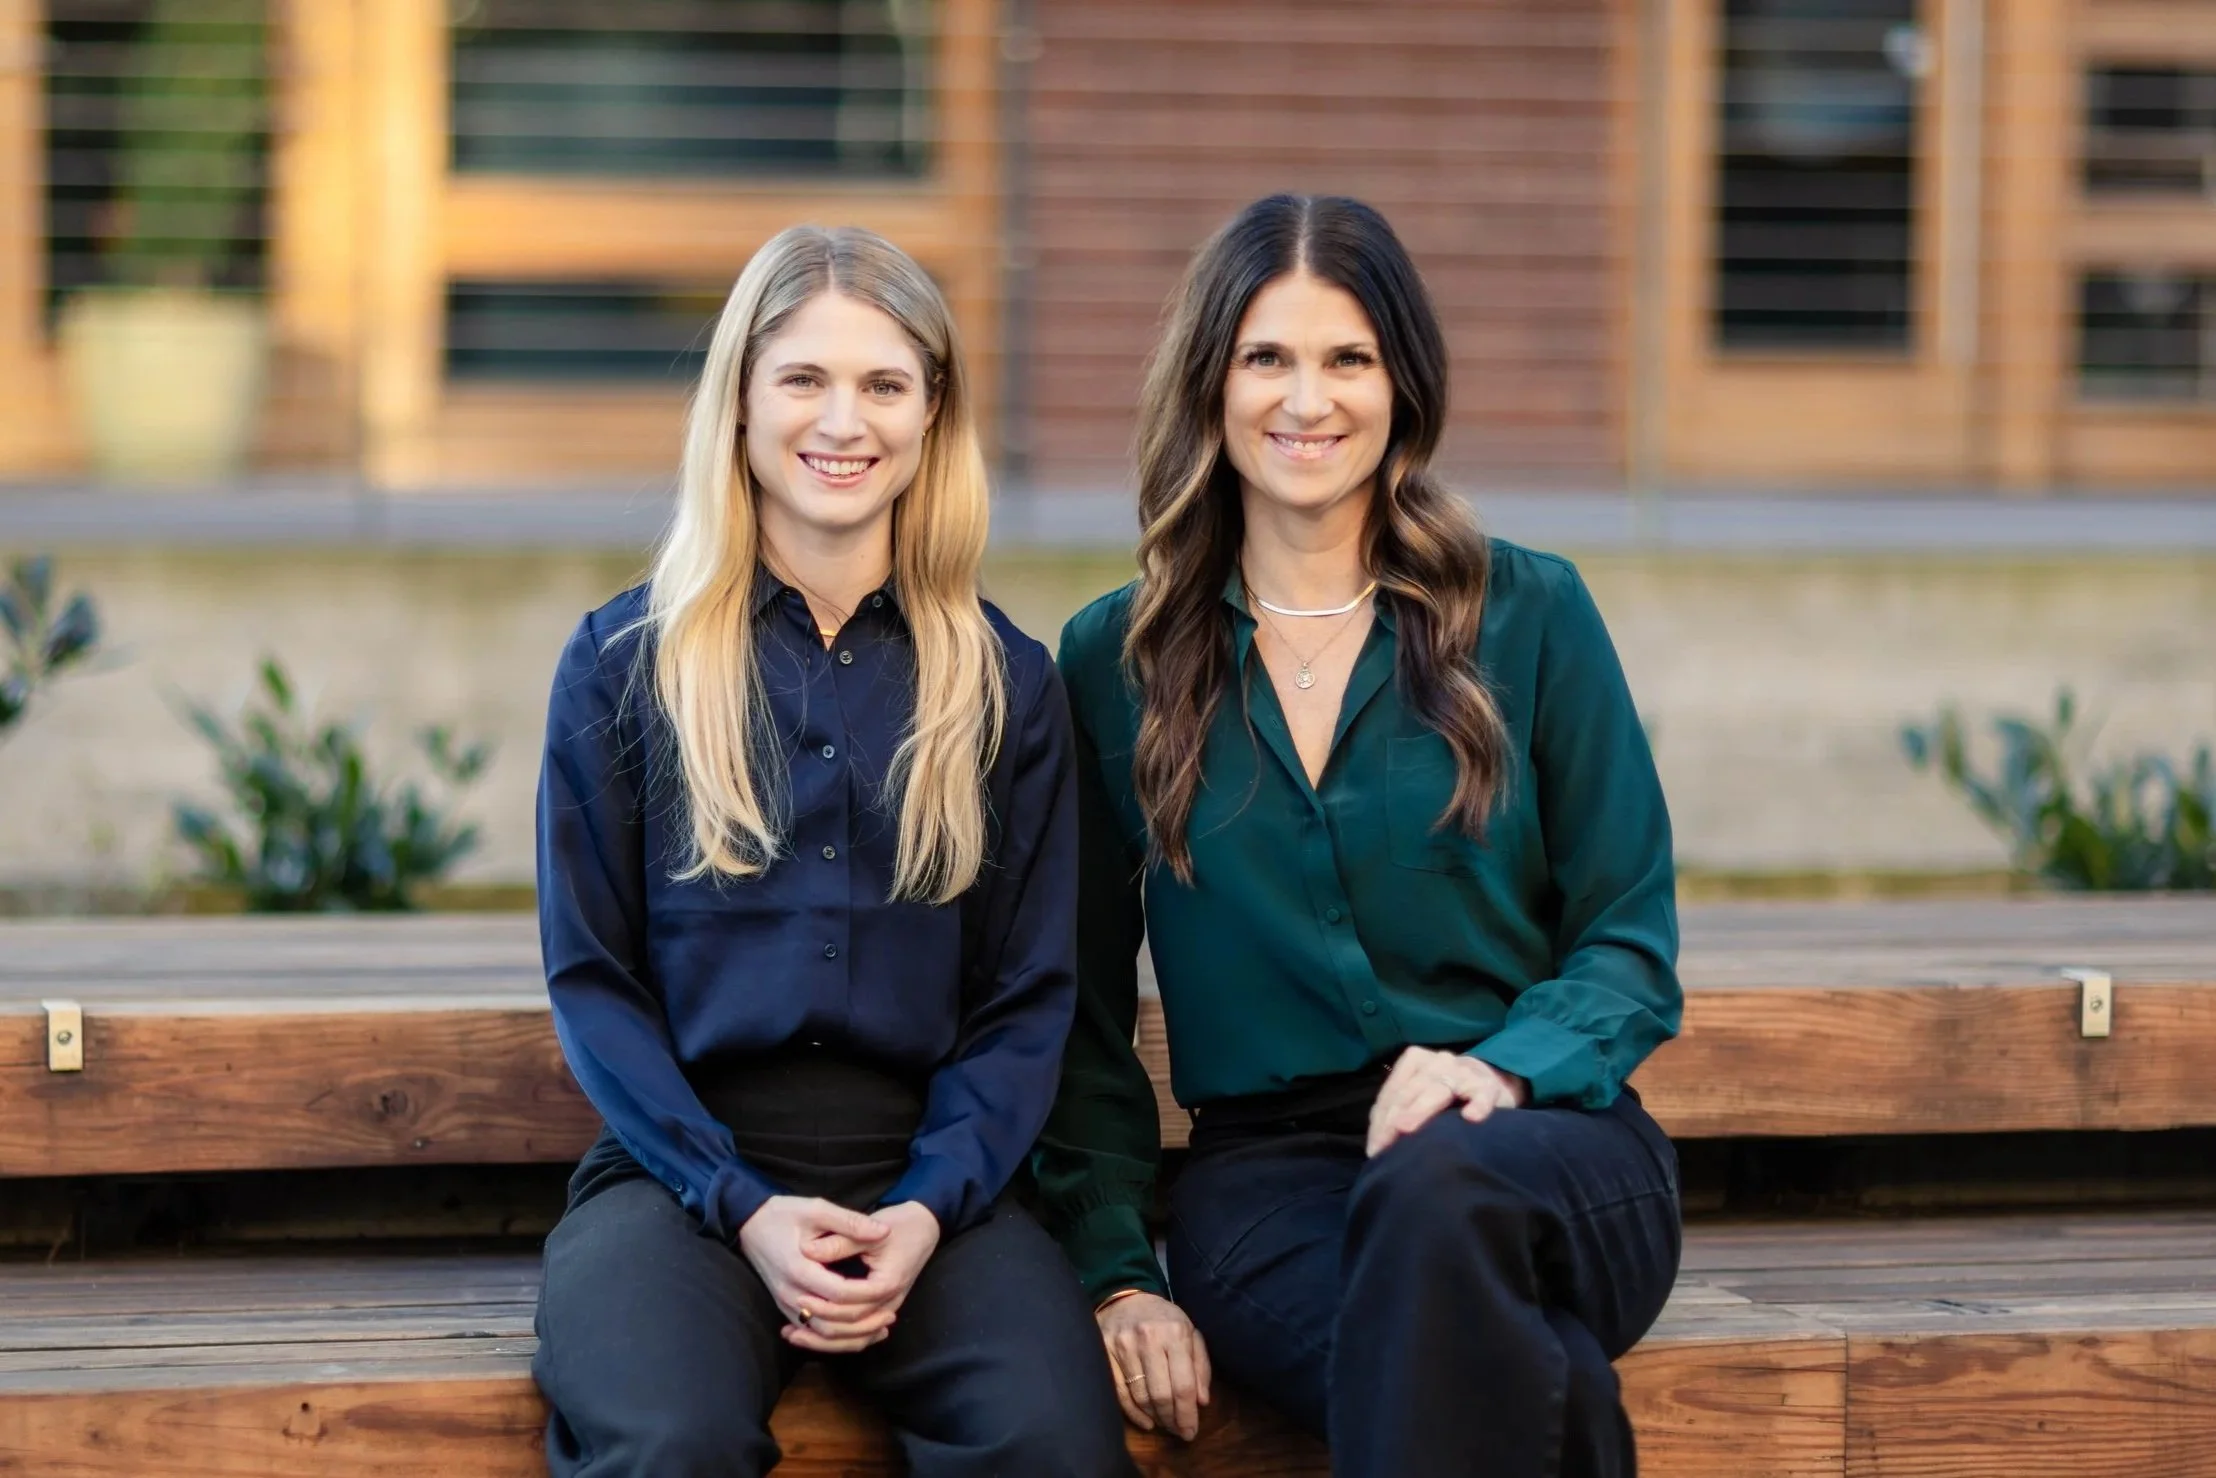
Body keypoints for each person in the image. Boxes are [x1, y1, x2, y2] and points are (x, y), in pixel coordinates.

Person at [1035, 194, 1684, 1478]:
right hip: (1270, 1189)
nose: (1305, 399)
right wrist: (1116, 1269)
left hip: (1535, 1140)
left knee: (1437, 1187)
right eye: (1265, 357)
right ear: (1210, 384)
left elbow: (1627, 939)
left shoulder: (1531, 612)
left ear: (1402, 384)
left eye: (1347, 358)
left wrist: (1499, 1072)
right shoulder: (1116, 661)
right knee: (1527, 1375)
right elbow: (1081, 1009)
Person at [533, 224, 1133, 1478]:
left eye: (884, 383)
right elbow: (594, 983)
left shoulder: (1006, 685)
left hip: (932, 1181)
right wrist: (738, 1204)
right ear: (741, 399)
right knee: (670, 1441)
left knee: (1050, 1441)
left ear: (931, 413)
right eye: (803, 377)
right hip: (680, 1173)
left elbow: (1025, 1001)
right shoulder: (622, 665)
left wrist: (926, 1204)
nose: (842, 420)